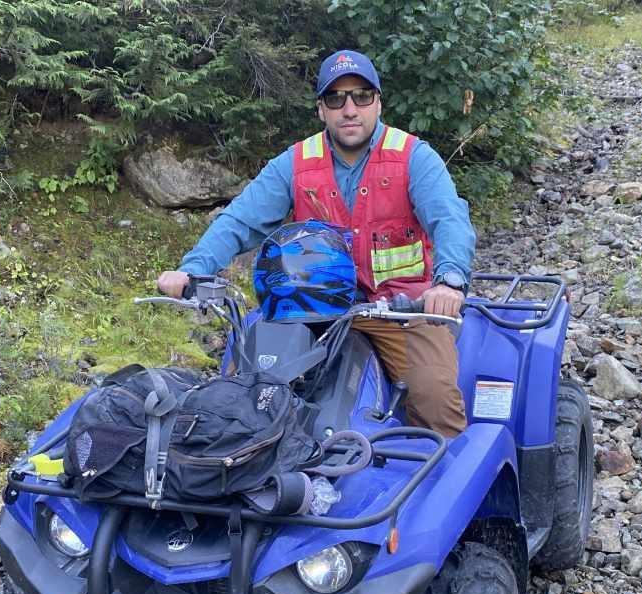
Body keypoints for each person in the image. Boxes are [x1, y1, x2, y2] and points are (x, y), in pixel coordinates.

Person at [157, 50, 475, 438]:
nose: (349, 109)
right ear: (321, 109)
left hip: (399, 309)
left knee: (433, 396)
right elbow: (241, 219)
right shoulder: (296, 162)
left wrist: (449, 281)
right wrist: (194, 269)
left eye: (361, 96)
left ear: (378, 102)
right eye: (335, 99)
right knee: (243, 387)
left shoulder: (413, 157)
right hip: (310, 308)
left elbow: (449, 219)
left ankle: (442, 468)